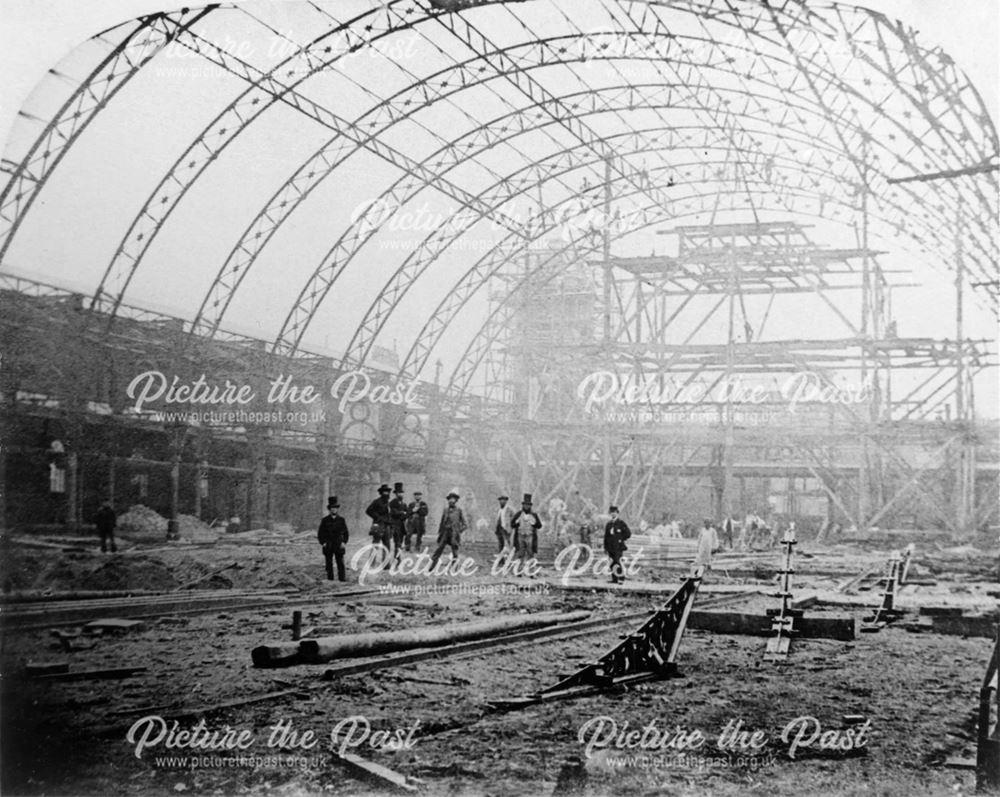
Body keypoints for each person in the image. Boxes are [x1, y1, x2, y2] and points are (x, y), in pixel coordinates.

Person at [430, 491, 467, 568]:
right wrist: (440, 533)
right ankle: (432, 566)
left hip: (454, 534)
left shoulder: (459, 510)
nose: (451, 501)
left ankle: (454, 568)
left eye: (453, 499)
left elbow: (465, 525)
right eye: (449, 499)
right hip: (445, 533)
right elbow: (442, 521)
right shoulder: (445, 510)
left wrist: (458, 531)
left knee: (455, 552)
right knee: (439, 549)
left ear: (456, 501)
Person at [317, 496, 349, 581]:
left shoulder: (341, 520)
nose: (334, 510)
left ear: (337, 509)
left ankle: (342, 580)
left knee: (340, 563)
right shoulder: (325, 520)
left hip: (338, 544)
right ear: (329, 509)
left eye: (335, 508)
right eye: (332, 508)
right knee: (329, 564)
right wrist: (323, 542)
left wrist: (344, 542)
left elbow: (346, 533)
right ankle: (330, 580)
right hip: (328, 544)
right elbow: (320, 533)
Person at [511, 493, 542, 565]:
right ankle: (519, 571)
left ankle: (531, 571)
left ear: (530, 506)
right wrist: (517, 523)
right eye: (525, 505)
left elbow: (539, 526)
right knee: (520, 552)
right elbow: (512, 525)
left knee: (530, 553)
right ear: (523, 505)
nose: (526, 506)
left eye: (528, 505)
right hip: (520, 535)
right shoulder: (518, 514)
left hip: (530, 535)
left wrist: (534, 524)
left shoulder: (534, 515)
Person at [604, 505, 631, 584]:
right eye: (612, 512)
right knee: (612, 563)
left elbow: (628, 534)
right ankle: (614, 579)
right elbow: (606, 537)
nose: (613, 514)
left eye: (615, 512)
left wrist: (620, 539)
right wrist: (605, 548)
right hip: (610, 547)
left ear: (617, 513)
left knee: (618, 562)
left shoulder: (621, 523)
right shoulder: (608, 524)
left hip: (618, 547)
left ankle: (621, 578)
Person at [365, 484, 393, 555]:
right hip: (378, 526)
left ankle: (386, 565)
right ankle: (371, 563)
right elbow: (368, 511)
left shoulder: (388, 503)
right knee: (375, 545)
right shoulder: (377, 502)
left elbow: (389, 514)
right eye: (384, 492)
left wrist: (390, 524)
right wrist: (378, 517)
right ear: (381, 493)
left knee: (387, 547)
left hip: (387, 526)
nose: (386, 493)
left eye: (387, 492)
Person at [388, 482, 408, 561]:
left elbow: (407, 514)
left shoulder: (404, 504)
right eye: (399, 493)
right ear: (396, 494)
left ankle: (397, 558)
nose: (401, 494)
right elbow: (393, 513)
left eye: (402, 493)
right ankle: (397, 559)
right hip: (395, 525)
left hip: (402, 526)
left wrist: (404, 514)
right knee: (397, 543)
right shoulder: (392, 503)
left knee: (400, 543)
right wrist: (402, 513)